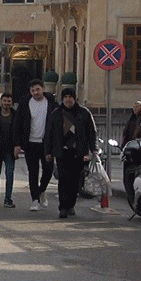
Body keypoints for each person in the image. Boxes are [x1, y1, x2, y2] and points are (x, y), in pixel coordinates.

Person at [45, 87, 97, 219]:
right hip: (62, 152)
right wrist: (48, 152)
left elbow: (91, 132)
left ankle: (70, 206)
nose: (68, 99)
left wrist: (93, 149)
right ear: (62, 99)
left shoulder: (84, 113)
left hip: (78, 152)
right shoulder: (56, 114)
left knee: (75, 181)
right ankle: (62, 207)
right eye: (66, 97)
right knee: (63, 180)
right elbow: (49, 134)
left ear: (74, 98)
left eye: (70, 97)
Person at [14, 78, 58, 212]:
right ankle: (34, 200)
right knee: (33, 172)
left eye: (38, 89)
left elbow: (57, 124)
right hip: (31, 143)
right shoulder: (25, 103)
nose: (35, 92)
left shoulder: (51, 104)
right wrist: (17, 144)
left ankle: (42, 190)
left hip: (47, 144)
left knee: (48, 170)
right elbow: (18, 124)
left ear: (43, 89)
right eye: (33, 90)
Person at [0, 92, 18, 207]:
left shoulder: (15, 115)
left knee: (9, 173)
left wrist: (18, 145)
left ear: (11, 103)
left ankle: (8, 198)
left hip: (10, 149)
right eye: (5, 101)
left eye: (9, 101)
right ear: (1, 101)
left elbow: (18, 132)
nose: (7, 103)